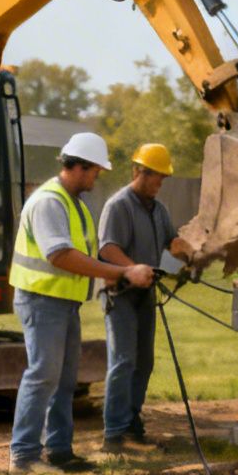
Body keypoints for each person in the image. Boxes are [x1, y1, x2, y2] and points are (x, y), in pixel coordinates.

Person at [8, 132, 154, 473]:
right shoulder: (49, 202)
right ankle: (24, 457)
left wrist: (110, 274)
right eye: (95, 171)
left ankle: (59, 451)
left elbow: (80, 255)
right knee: (43, 374)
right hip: (42, 300)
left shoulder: (74, 203)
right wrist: (121, 272)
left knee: (63, 380)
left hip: (63, 302)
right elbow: (60, 255)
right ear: (79, 167)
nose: (97, 177)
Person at [97, 143, 189, 452]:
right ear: (139, 172)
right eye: (157, 178)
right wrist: (132, 268)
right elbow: (108, 249)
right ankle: (114, 435)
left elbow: (169, 240)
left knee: (143, 362)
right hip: (120, 293)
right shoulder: (118, 205)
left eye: (163, 178)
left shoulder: (157, 209)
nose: (160, 184)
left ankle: (132, 426)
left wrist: (181, 249)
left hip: (145, 294)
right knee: (123, 360)